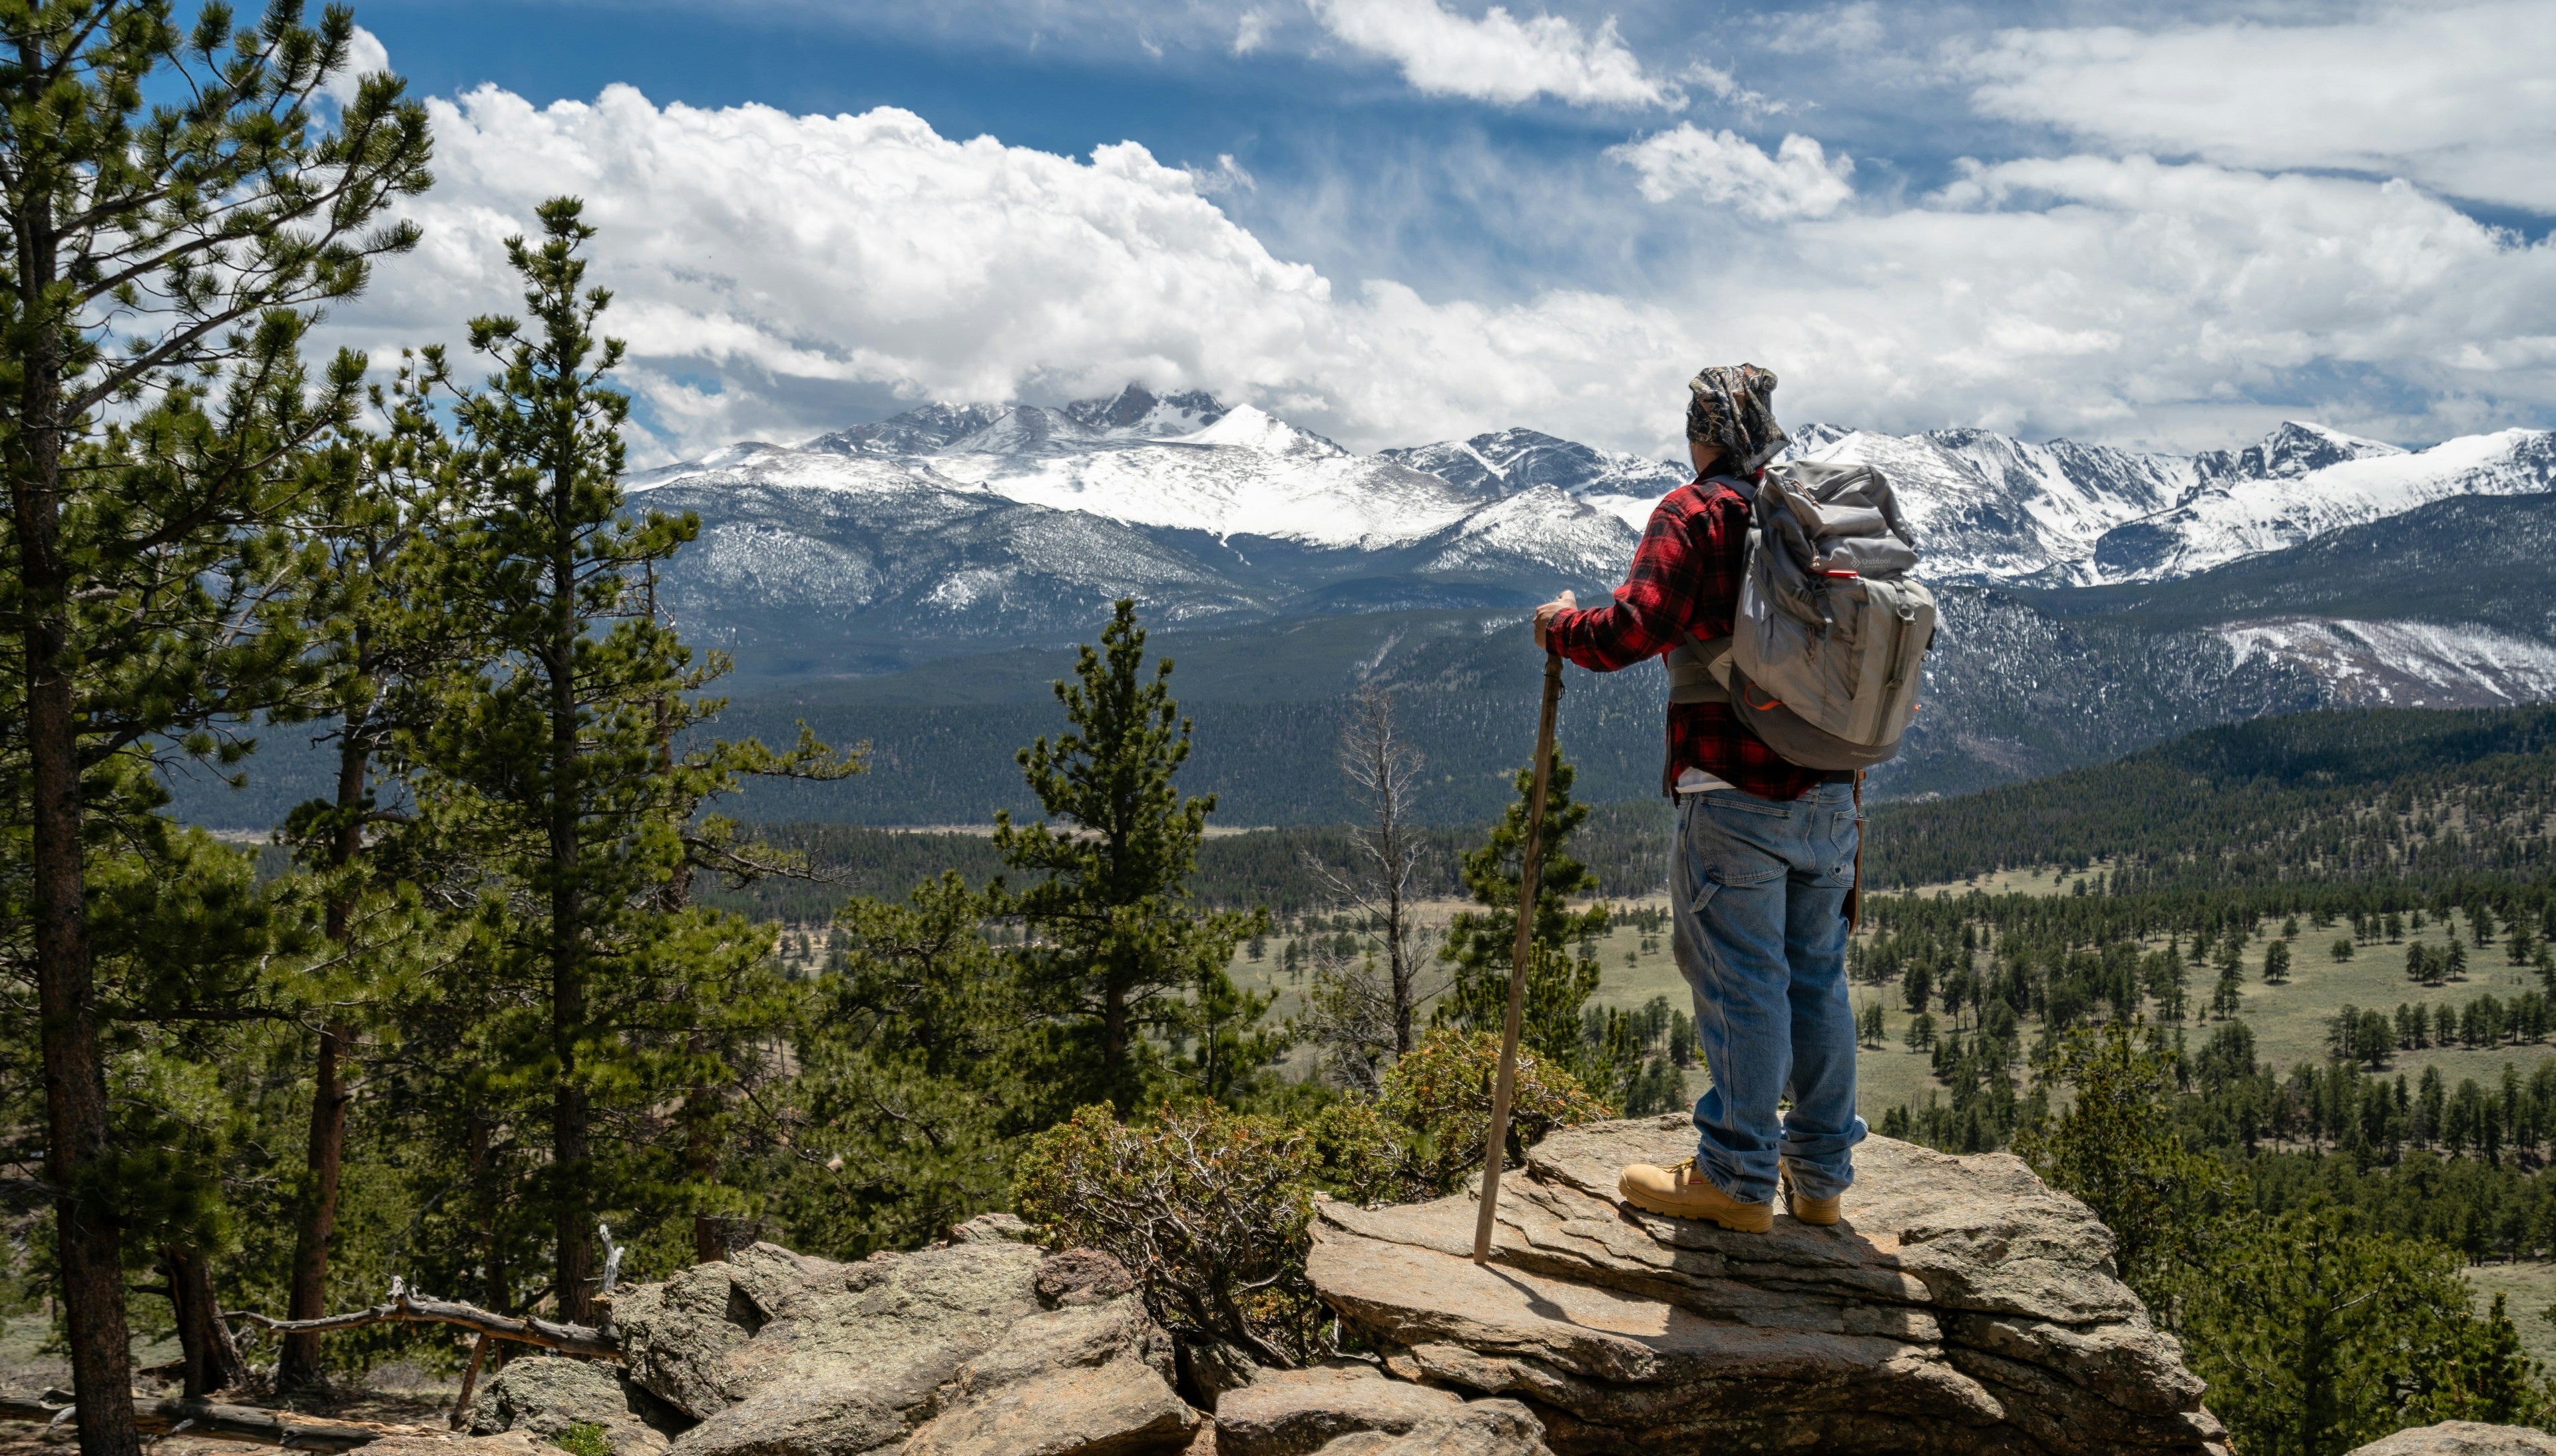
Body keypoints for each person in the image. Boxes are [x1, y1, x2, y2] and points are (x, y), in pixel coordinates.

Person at [1532, 363, 1862, 1234]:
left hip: (1734, 790)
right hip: (1832, 790)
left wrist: (1561, 628)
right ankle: (1821, 1182)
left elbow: (1632, 629)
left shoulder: (1698, 510)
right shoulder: (1815, 516)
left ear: (1702, 433)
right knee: (1818, 979)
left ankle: (1737, 1178)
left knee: (1745, 981)